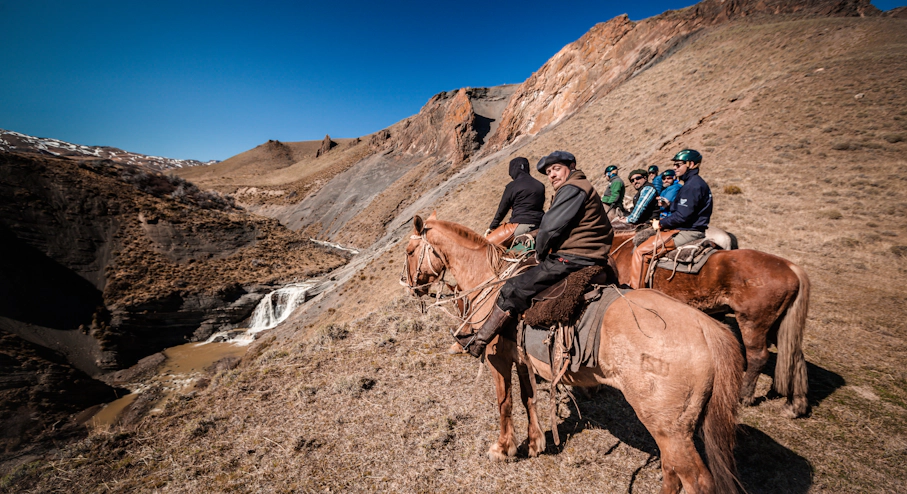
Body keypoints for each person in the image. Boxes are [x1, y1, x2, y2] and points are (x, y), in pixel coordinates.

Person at [458, 151, 614, 358]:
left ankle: (478, 342)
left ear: (572, 167)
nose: (552, 175)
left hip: (574, 257)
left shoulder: (572, 188)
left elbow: (550, 227)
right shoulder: (577, 186)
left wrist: (540, 253)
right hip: (585, 252)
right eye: (548, 172)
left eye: (556, 169)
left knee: (512, 287)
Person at [628, 149, 712, 289]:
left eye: (678, 164)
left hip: (687, 231)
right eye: (674, 165)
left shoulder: (692, 186)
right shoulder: (694, 183)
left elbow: (682, 216)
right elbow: (689, 209)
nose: (674, 168)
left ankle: (635, 293)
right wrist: (670, 205)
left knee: (641, 252)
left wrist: (660, 223)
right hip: (687, 227)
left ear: (691, 164)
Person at [485, 157, 546, 244]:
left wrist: (493, 226)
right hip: (540, 224)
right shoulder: (540, 185)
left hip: (519, 225)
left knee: (485, 245)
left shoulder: (512, 186)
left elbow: (503, 208)